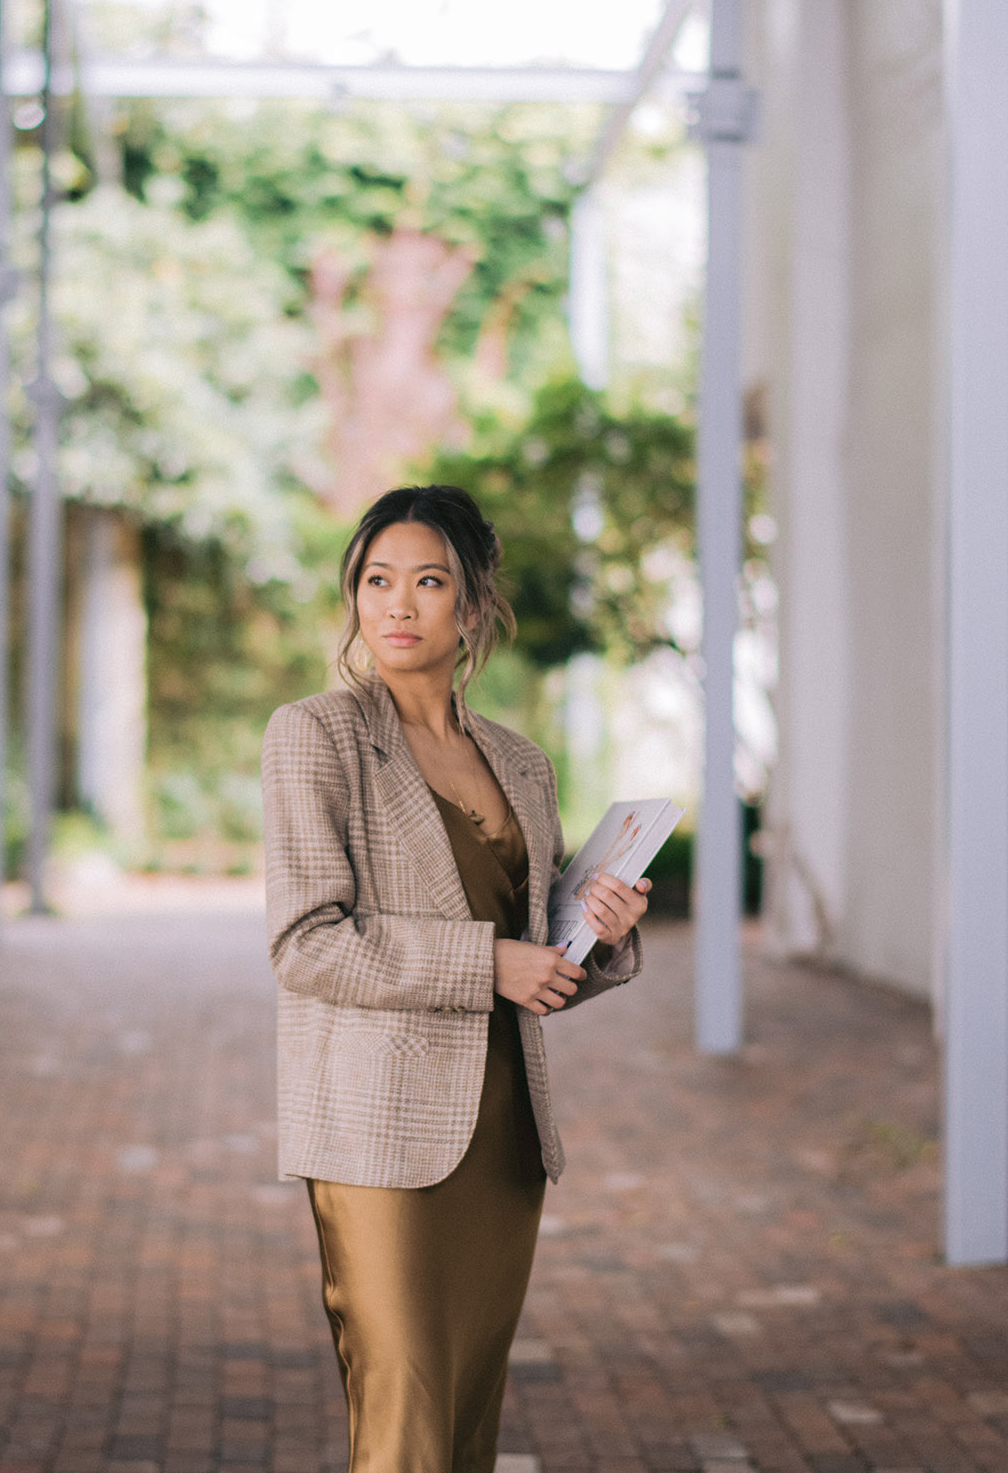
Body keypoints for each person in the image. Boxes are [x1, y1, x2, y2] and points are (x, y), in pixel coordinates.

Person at [261, 484, 652, 1473]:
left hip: (503, 1132)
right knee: (406, 1412)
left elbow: (542, 962)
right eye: (376, 581)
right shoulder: (317, 736)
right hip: (378, 1135)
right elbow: (307, 941)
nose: (397, 605)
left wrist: (597, 938)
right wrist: (488, 962)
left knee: (469, 1415)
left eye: (427, 582)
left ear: (473, 605)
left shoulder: (519, 762)